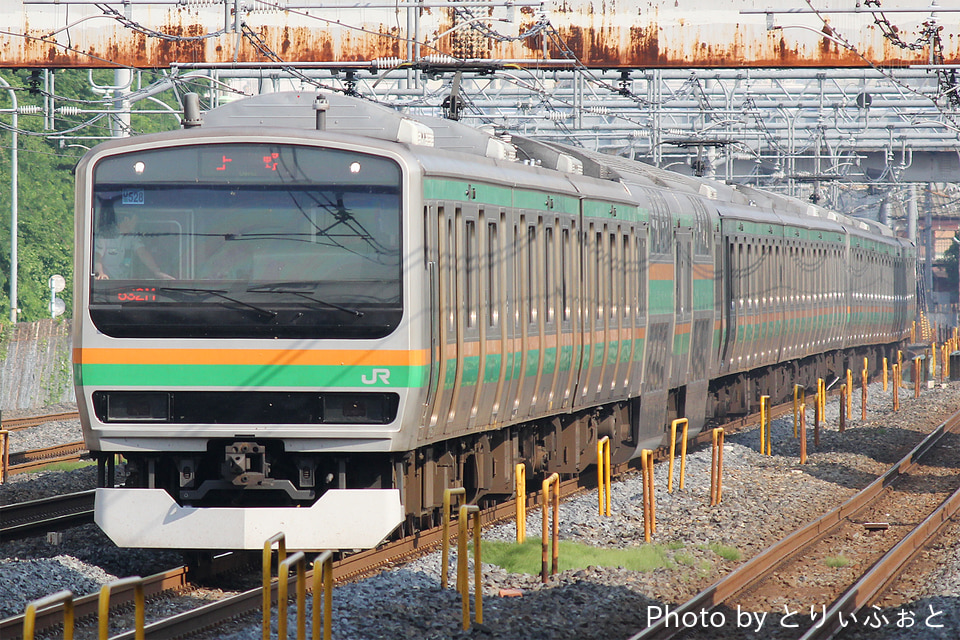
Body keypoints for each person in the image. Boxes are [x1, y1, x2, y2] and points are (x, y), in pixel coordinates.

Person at [94, 210, 174, 280]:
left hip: (122, 281)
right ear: (126, 219)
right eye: (135, 221)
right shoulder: (105, 234)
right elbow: (97, 256)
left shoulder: (132, 236)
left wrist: (157, 272)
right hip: (106, 282)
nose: (135, 224)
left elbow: (142, 253)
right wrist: (100, 273)